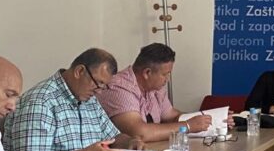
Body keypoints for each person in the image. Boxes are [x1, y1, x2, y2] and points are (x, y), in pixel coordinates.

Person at [2, 49, 145, 151]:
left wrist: (130, 142)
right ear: (79, 71)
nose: (99, 91)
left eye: (103, 86)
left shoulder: (89, 99)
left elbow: (113, 137)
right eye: (98, 83)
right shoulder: (40, 102)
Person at [98, 43, 233, 142]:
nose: (167, 79)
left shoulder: (154, 88)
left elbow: (172, 116)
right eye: (165, 74)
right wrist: (188, 126)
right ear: (147, 73)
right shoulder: (119, 88)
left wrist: (214, 120)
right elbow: (139, 133)